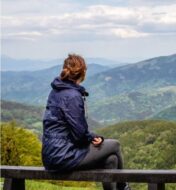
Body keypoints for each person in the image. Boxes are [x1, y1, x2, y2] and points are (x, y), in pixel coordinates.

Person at [42, 54, 130, 190]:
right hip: (63, 156)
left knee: (111, 160)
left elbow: (71, 129)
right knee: (115, 145)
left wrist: (91, 137)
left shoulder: (56, 91)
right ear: (83, 73)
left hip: (52, 154)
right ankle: (124, 187)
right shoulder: (72, 96)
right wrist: (93, 137)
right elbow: (79, 135)